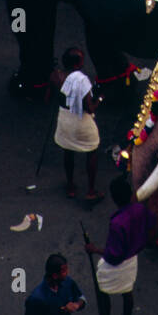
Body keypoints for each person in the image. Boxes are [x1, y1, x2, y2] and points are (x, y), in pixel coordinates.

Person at [82, 176, 152, 315]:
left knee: (103, 292)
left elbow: (113, 254)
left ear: (114, 199)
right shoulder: (140, 209)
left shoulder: (117, 223)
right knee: (127, 291)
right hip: (132, 259)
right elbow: (150, 224)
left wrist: (94, 249)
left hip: (117, 264)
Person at [54, 46, 102, 202]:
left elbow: (48, 98)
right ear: (76, 64)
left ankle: (70, 186)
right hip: (81, 123)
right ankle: (91, 190)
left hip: (64, 120)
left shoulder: (55, 75)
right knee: (92, 150)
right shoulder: (82, 81)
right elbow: (89, 107)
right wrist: (100, 99)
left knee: (68, 151)